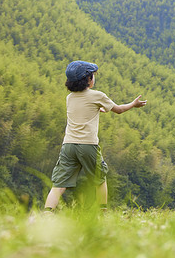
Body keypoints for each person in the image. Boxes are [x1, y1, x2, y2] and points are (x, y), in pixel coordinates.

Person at [44, 60, 146, 211]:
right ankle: (102, 212)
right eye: (92, 75)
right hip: (88, 145)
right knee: (99, 179)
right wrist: (133, 104)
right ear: (88, 79)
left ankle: (47, 213)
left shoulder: (70, 98)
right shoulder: (97, 96)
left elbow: (81, 110)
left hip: (69, 145)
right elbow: (118, 110)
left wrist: (96, 110)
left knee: (59, 184)